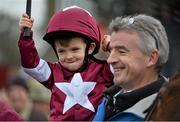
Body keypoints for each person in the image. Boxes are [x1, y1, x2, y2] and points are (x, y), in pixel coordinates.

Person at [18, 5, 113, 121]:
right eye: (62, 51)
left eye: (75, 50)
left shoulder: (103, 71)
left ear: (90, 48)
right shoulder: (53, 73)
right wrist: (25, 36)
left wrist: (113, 46)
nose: (68, 56)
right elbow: (31, 65)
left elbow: (125, 64)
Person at [93, 14, 169, 121]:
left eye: (122, 51)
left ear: (151, 58)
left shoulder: (168, 113)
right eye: (111, 50)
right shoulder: (107, 100)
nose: (110, 60)